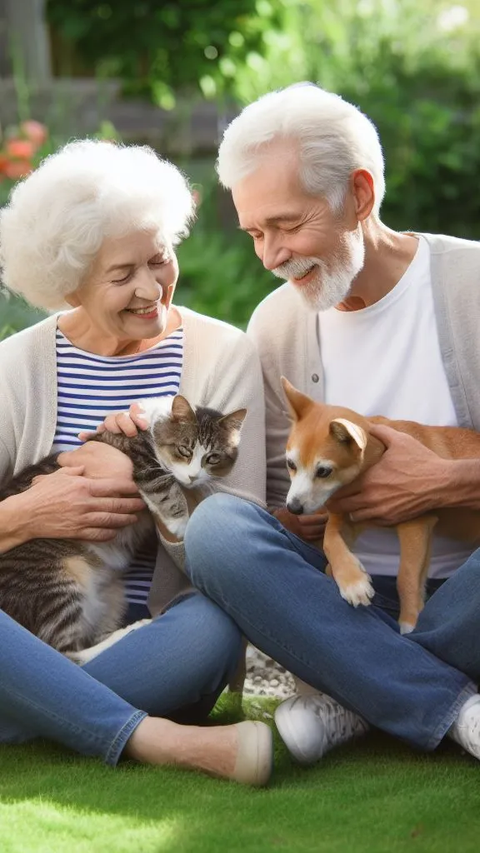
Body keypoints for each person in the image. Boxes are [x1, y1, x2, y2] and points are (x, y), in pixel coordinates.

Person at [184, 83, 480, 766]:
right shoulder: (277, 326)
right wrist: (299, 514)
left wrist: (444, 481)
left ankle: (359, 690)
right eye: (256, 233)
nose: (270, 256)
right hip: (340, 603)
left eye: (286, 225)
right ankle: (447, 701)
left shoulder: (468, 286)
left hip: (465, 598)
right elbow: (267, 508)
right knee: (218, 531)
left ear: (360, 194)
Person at [0, 139, 272, 785]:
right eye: (122, 274)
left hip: (152, 638)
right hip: (32, 618)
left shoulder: (223, 354)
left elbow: (242, 550)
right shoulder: (15, 367)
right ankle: (155, 738)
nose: (151, 288)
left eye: (160, 258)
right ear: (69, 281)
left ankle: (33, 704)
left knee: (211, 627)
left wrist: (143, 483)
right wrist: (28, 511)